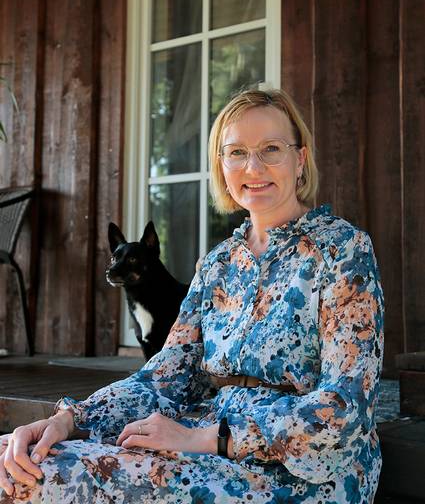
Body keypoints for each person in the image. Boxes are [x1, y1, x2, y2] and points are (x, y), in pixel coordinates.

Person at [0, 89, 384, 503]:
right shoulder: (218, 264)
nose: (253, 167)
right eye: (237, 152)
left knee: (44, 477)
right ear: (222, 166)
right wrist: (69, 420)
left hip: (304, 469)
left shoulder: (342, 250)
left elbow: (346, 406)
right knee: (16, 459)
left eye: (271, 148)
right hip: (202, 438)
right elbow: (167, 375)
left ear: (300, 159)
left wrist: (211, 439)